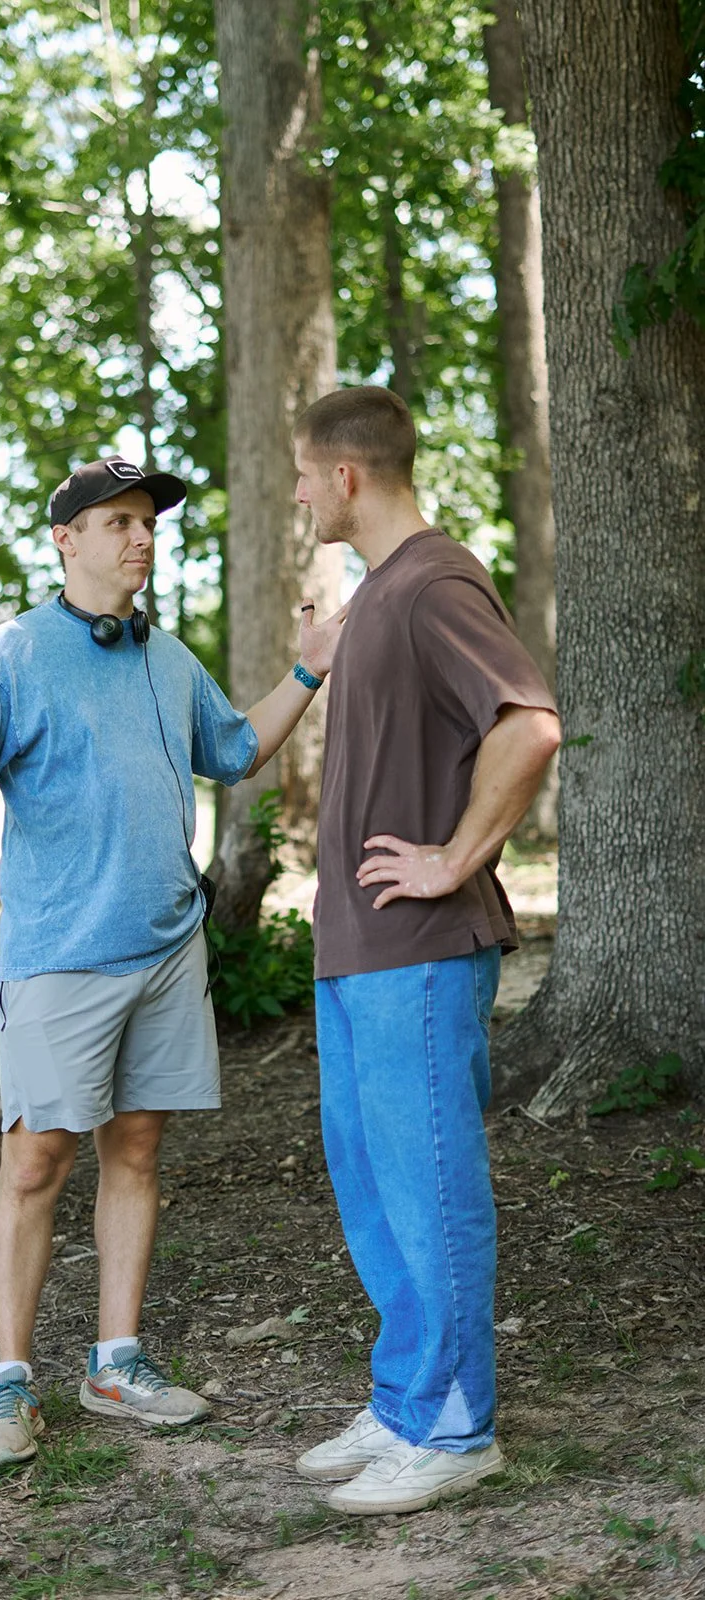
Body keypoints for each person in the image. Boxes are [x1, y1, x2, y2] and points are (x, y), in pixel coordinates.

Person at [0, 455, 347, 1471]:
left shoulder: (167, 657)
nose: (140, 537)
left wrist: (309, 667)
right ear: (65, 540)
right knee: (34, 1159)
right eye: (116, 522)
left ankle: (115, 1362)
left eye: (147, 522)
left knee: (137, 1149)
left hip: (166, 948)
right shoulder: (15, 652)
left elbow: (235, 751)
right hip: (62, 957)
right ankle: (10, 1377)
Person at [289, 387, 560, 1516]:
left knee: (429, 1186)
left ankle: (456, 1428)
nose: (299, 492)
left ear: (346, 476)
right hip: (359, 953)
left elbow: (529, 721)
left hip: (421, 946)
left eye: (303, 473)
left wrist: (454, 857)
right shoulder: (380, 596)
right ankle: (406, 1398)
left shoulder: (435, 580)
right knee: (376, 1192)